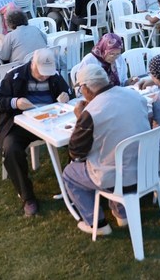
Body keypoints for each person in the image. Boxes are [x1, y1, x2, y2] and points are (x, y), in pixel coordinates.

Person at [62, 63, 150, 234]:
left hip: (116, 177)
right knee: (115, 153)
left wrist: (80, 117)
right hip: (145, 169)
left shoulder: (91, 112)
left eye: (80, 88)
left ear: (86, 87)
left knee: (70, 173)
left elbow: (76, 152)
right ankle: (122, 214)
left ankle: (97, 224)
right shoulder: (134, 95)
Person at [0, 49, 72, 216]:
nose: (44, 77)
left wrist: (66, 96)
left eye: (47, 74)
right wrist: (15, 102)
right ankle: (27, 196)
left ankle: (74, 185)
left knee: (78, 136)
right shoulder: (15, 75)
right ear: (33, 65)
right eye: (41, 73)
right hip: (22, 124)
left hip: (52, 120)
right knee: (11, 148)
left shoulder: (53, 75)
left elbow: (68, 92)